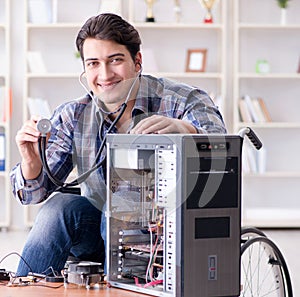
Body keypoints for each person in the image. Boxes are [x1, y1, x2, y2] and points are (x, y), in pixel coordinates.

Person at [10, 13, 226, 277]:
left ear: (138, 62)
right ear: (85, 70)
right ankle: (24, 288)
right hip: (98, 236)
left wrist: (186, 130)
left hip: (164, 237)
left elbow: (224, 151)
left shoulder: (182, 100)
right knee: (59, 208)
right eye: (93, 64)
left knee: (119, 206)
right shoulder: (74, 115)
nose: (105, 74)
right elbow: (32, 195)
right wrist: (31, 162)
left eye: (115, 60)